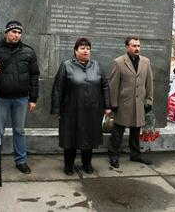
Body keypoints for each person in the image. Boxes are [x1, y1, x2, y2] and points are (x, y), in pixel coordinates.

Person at [0, 20, 40, 177]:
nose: (17, 35)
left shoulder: (28, 52)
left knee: (19, 131)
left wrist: (33, 99)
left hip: (21, 99)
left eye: (19, 32)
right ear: (7, 32)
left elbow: (34, 77)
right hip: (1, 98)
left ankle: (20, 161)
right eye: (14, 32)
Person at [50, 37, 111, 175]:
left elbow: (105, 87)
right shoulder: (66, 65)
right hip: (71, 109)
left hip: (92, 109)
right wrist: (56, 109)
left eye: (88, 48)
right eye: (82, 48)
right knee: (70, 137)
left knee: (89, 137)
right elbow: (57, 88)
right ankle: (68, 165)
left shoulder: (97, 65)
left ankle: (87, 163)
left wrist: (107, 106)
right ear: (75, 51)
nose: (86, 51)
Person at [105, 36, 153, 168]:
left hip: (139, 103)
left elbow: (149, 83)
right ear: (127, 47)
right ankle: (113, 155)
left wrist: (149, 100)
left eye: (138, 46)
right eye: (134, 46)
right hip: (123, 104)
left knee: (136, 131)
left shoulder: (146, 61)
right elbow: (113, 85)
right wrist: (112, 104)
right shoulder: (119, 62)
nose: (137, 48)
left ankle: (135, 155)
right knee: (117, 132)